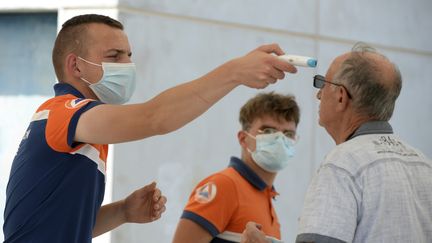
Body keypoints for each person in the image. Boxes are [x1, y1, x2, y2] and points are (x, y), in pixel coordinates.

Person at [2, 13, 297, 243]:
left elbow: (63, 225)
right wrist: (235, 72)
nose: (128, 64)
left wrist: (123, 211)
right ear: (75, 67)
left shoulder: (82, 131)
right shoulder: (63, 113)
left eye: (129, 55)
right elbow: (154, 118)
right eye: (114, 56)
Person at [240, 43, 432, 243]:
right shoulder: (424, 165)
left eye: (323, 83)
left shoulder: (343, 165)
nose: (319, 94)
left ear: (341, 97)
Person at [173, 92, 300, 243]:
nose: (280, 140)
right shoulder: (224, 185)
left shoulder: (267, 197)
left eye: (288, 134)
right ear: (243, 138)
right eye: (268, 131)